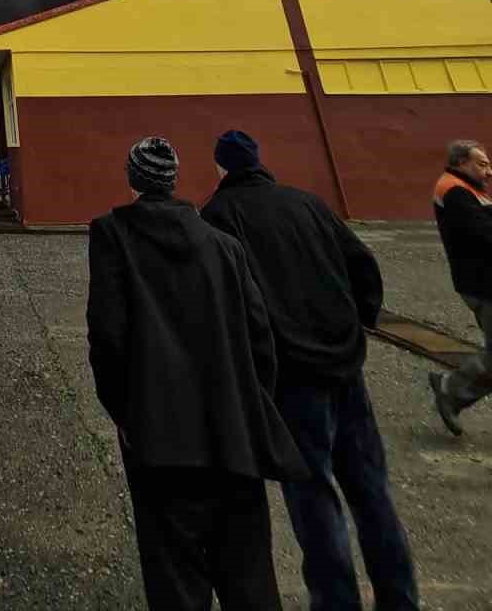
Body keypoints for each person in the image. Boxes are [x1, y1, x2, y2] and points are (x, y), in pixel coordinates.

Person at [201, 129, 419, 611]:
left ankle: (336, 602)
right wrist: (355, 324)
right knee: (372, 492)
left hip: (291, 379)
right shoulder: (308, 203)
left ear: (220, 169)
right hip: (345, 370)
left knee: (314, 498)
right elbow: (363, 265)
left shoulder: (219, 215)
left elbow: (225, 300)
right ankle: (400, 599)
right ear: (258, 160)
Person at [86, 136, 305, 611]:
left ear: (132, 179)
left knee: (175, 574)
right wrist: (249, 402)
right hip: (233, 433)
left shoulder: (112, 235)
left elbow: (107, 337)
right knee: (249, 575)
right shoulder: (224, 247)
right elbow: (259, 336)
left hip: (159, 435)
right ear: (175, 178)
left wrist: (123, 412)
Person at [426, 138, 492, 435]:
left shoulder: (466, 190)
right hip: (483, 284)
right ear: (460, 163)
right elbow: (484, 237)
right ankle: (451, 390)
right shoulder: (455, 192)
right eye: (481, 164)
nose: (488, 171)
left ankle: (451, 389)